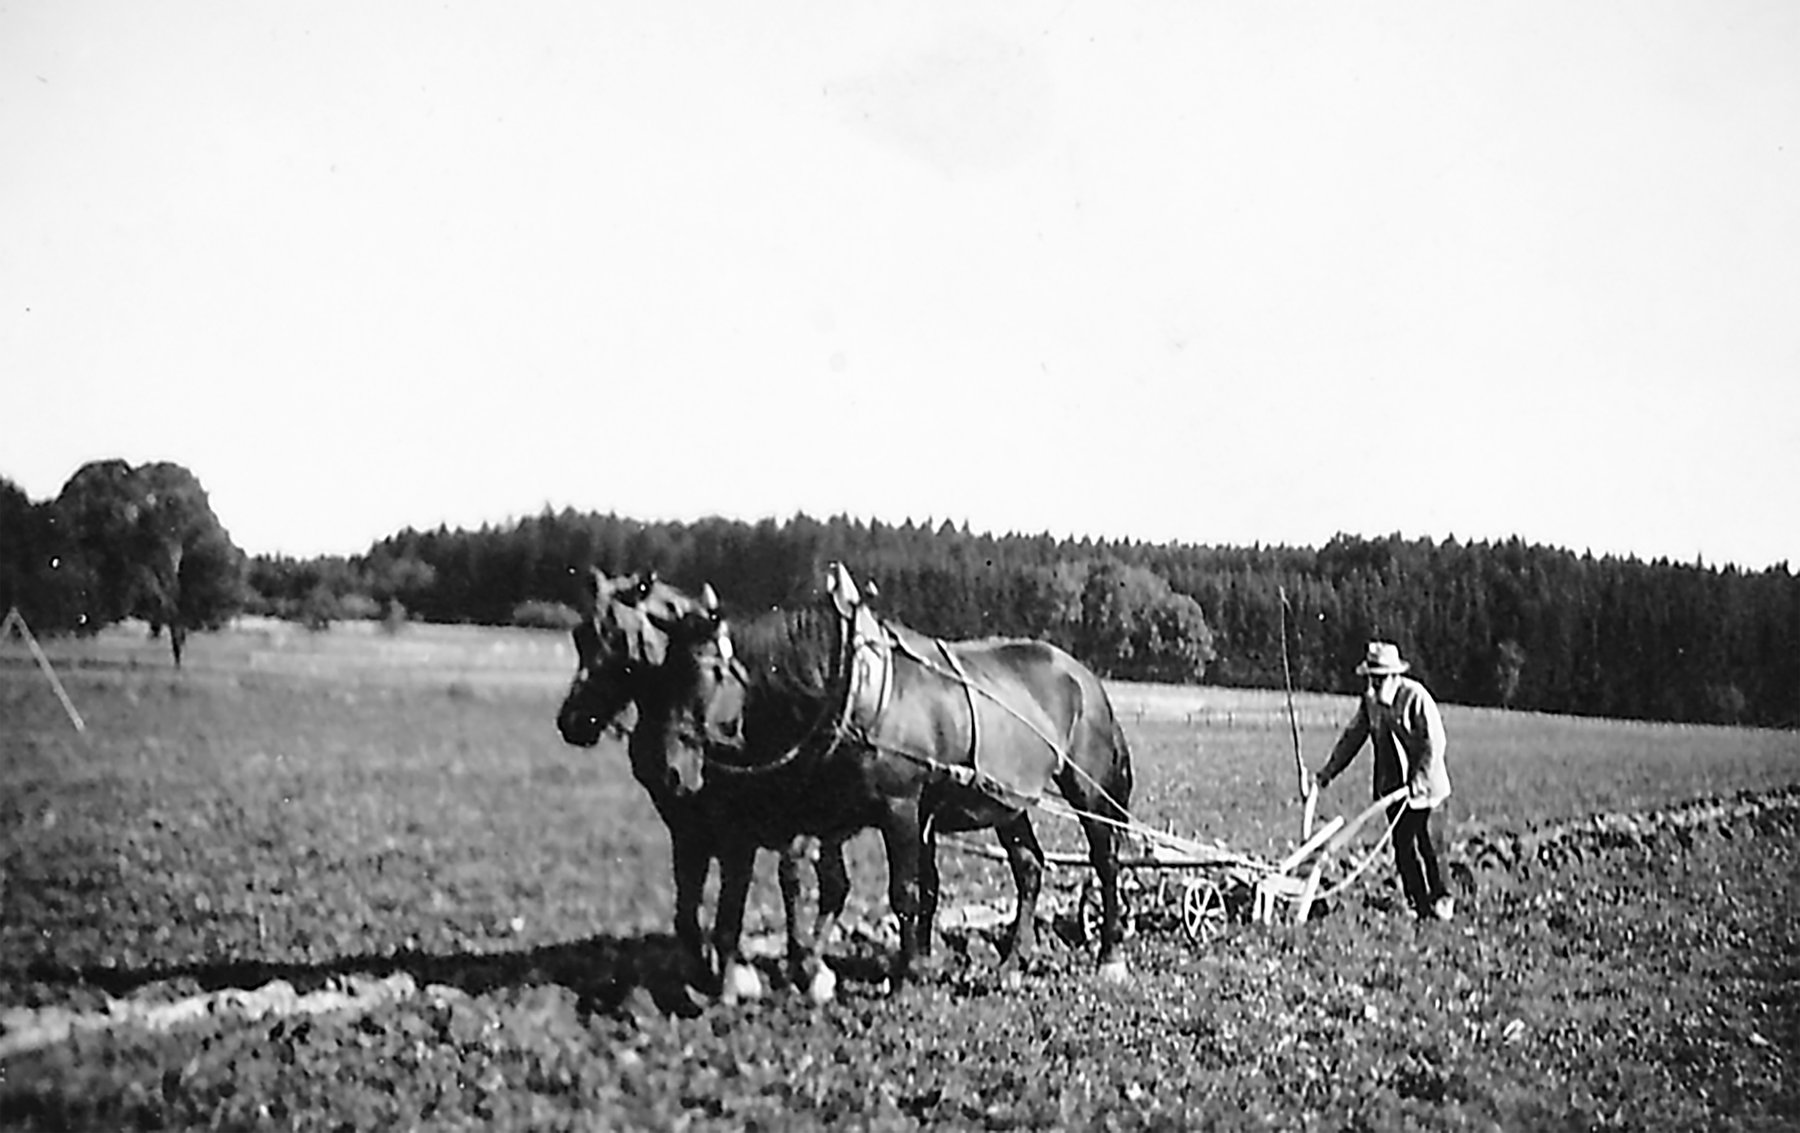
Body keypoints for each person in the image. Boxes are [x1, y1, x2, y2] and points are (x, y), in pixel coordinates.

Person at [1310, 641, 1455, 921]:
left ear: (1394, 676)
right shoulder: (1371, 703)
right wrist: (1327, 773)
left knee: (1430, 845)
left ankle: (1442, 900)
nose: (1372, 686)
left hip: (1428, 790)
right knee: (1403, 848)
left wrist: (1419, 779)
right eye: (1370, 679)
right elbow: (1352, 739)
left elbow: (1435, 743)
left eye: (1378, 679)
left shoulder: (1416, 698)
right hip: (1393, 788)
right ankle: (1419, 905)